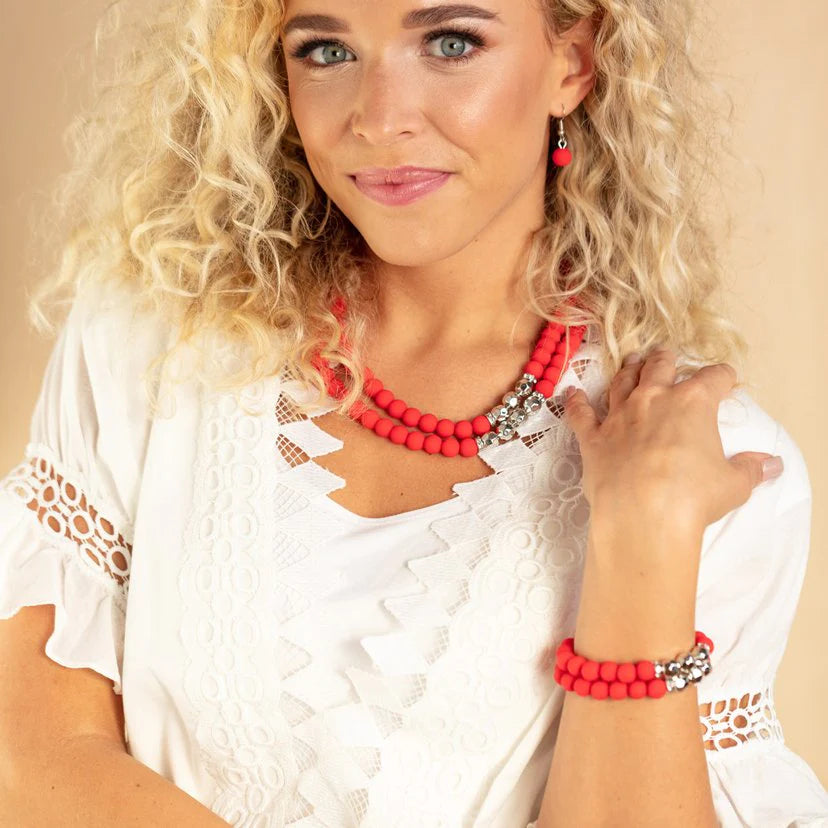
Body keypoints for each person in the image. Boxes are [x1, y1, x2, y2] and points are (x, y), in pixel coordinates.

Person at [0, 0, 826, 825]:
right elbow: (29, 757)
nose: (379, 118)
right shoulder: (156, 344)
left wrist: (643, 544)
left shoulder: (707, 462)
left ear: (572, 64)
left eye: (451, 42)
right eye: (326, 51)